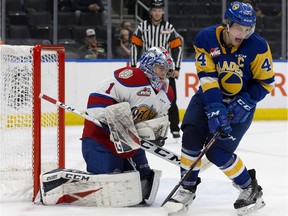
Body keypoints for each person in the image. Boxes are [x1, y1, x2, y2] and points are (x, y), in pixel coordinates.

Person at [163, 1, 275, 216]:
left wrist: (246, 100)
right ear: (228, 24)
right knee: (191, 138)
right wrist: (215, 108)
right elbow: (207, 77)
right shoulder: (206, 38)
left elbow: (266, 81)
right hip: (208, 96)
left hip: (242, 102)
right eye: (239, 28)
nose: (243, 33)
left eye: (248, 29)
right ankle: (186, 188)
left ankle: (249, 188)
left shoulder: (258, 46)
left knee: (218, 153)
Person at [81, 46, 175, 204]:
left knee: (143, 184)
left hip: (132, 144)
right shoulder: (130, 78)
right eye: (160, 68)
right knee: (109, 188)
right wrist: (114, 123)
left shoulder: (167, 94)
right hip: (101, 140)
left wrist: (154, 133)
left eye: (166, 70)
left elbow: (155, 122)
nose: (163, 74)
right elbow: (95, 102)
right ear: (148, 65)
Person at [130, 0, 183, 139]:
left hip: (165, 69)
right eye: (154, 10)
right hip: (147, 69)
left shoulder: (169, 27)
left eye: (160, 10)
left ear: (163, 12)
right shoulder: (143, 27)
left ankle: (174, 127)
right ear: (150, 11)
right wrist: (134, 65)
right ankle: (144, 126)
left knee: (170, 97)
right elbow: (135, 46)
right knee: (145, 97)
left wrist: (176, 67)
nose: (157, 13)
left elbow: (177, 47)